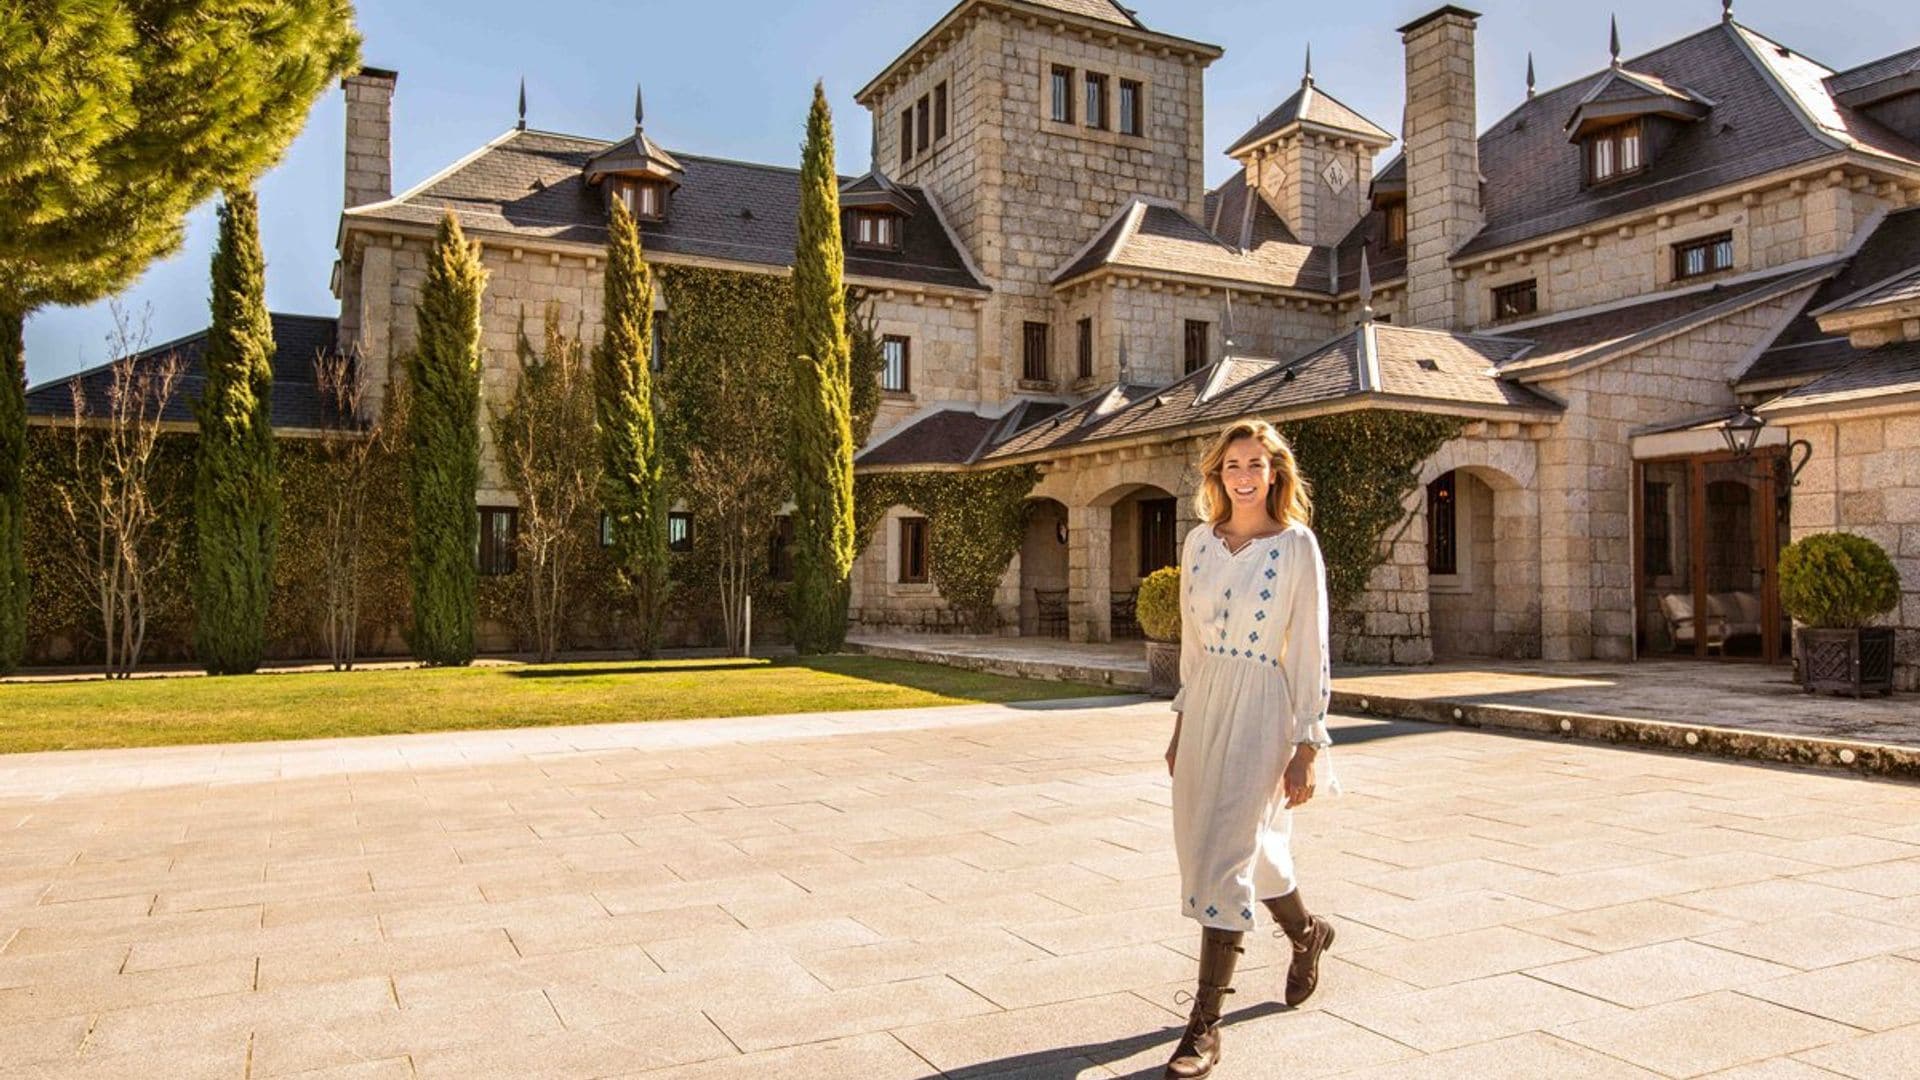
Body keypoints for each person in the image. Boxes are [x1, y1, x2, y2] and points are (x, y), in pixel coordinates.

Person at [1161, 418, 1336, 1079]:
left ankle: (1203, 1027)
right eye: (1233, 463)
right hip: (1205, 705)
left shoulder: (1297, 546)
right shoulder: (1199, 542)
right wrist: (1181, 725)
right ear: (1218, 473)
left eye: (1256, 464)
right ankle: (1307, 932)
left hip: (1265, 705)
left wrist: (1307, 743)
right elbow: (1191, 645)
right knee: (1237, 845)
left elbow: (1312, 646)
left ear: (1275, 473)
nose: (1243, 474)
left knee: (1228, 853)